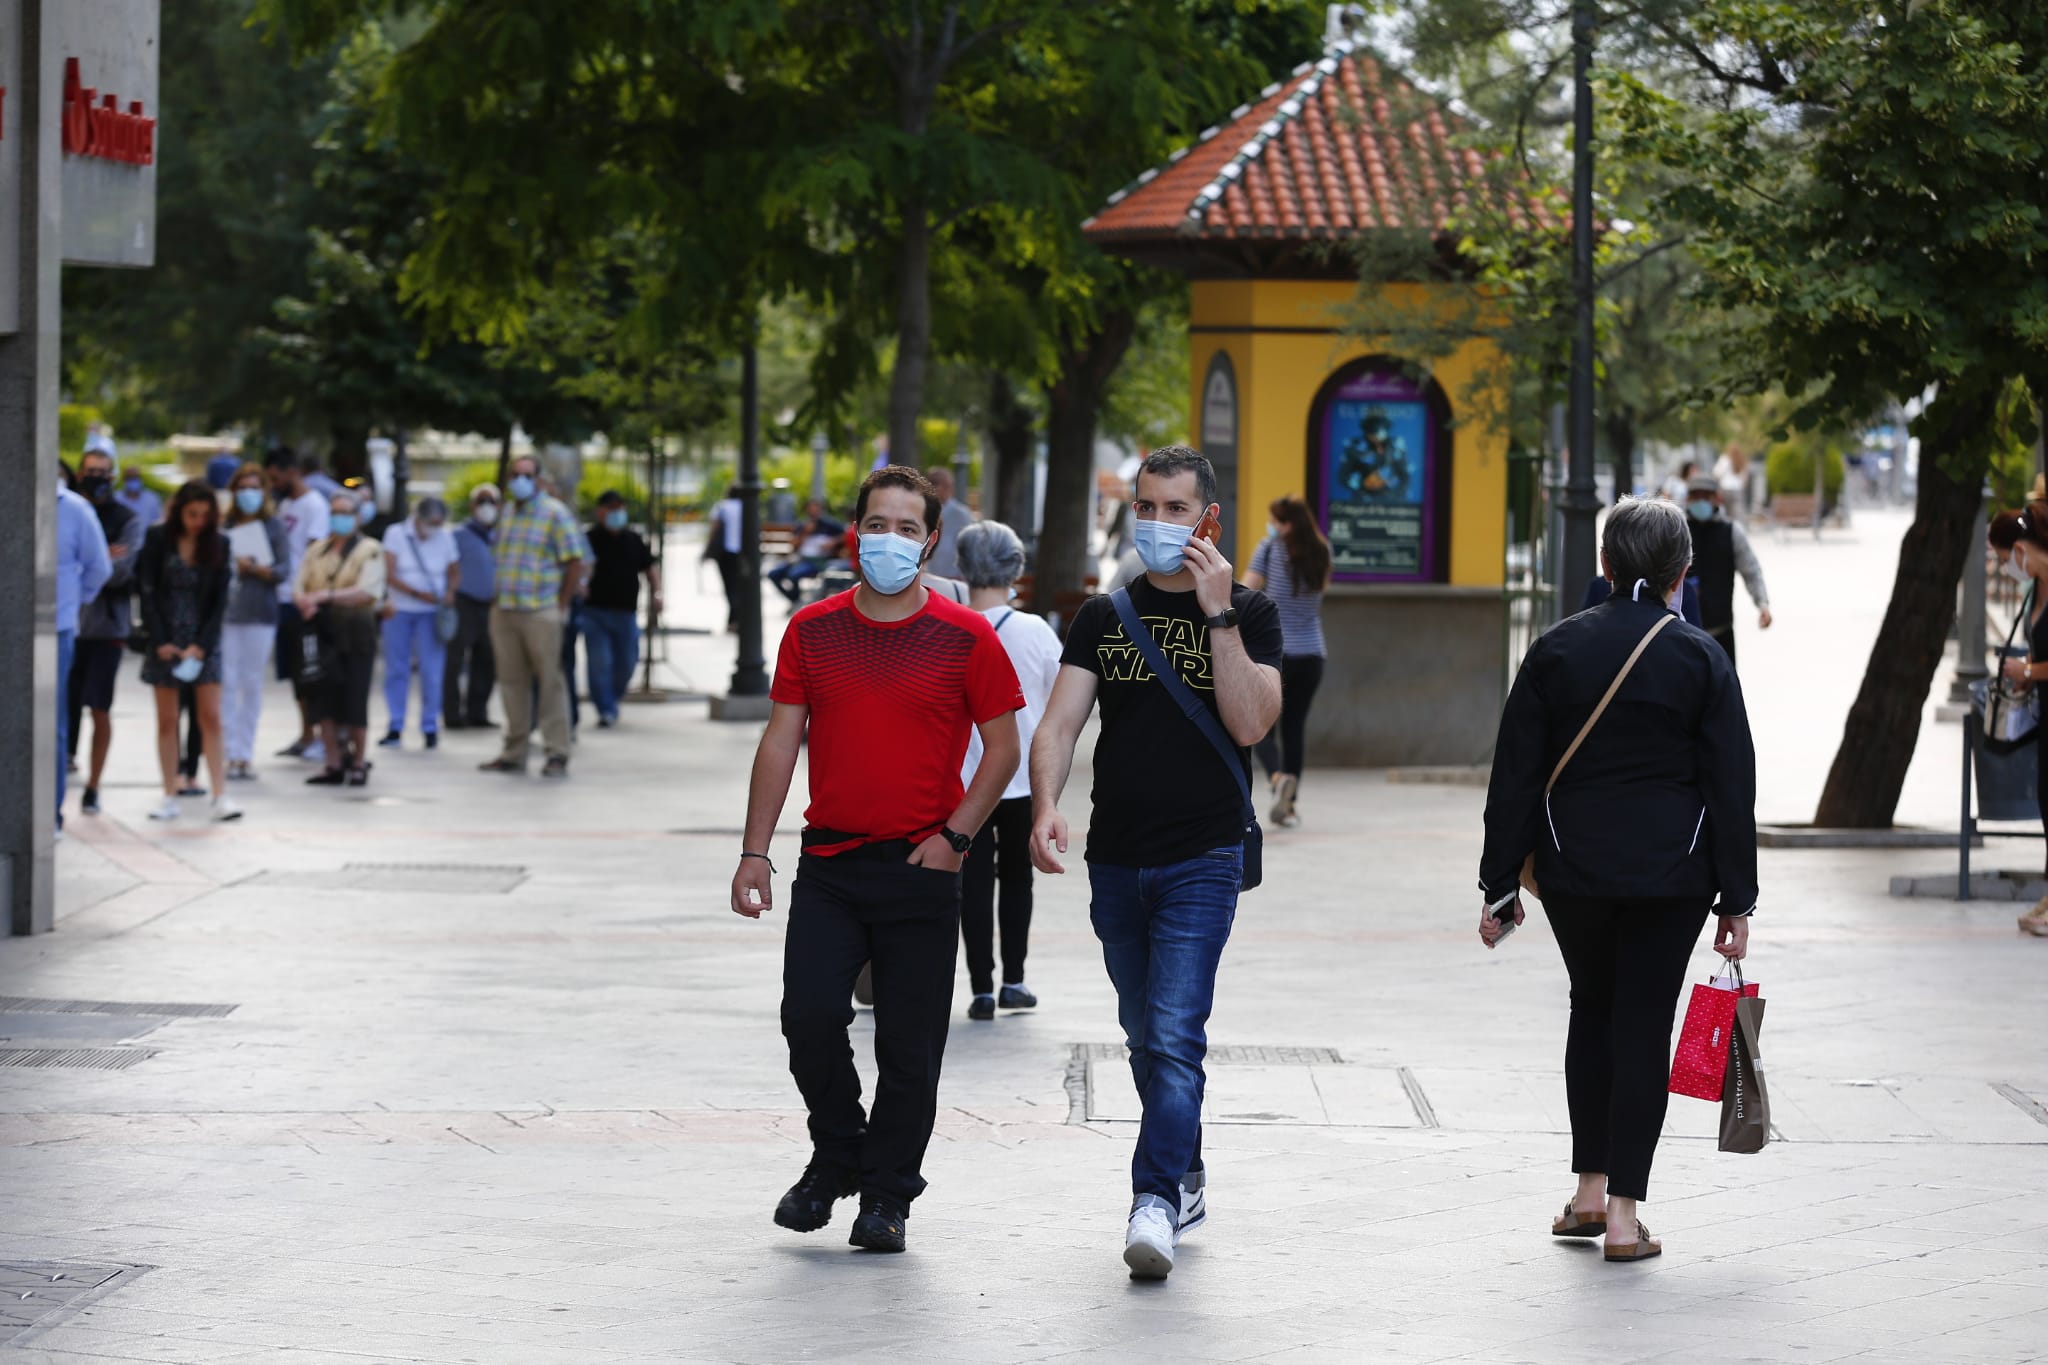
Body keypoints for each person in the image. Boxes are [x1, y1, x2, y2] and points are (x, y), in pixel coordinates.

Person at [729, 465, 1023, 1255]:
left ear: (930, 540)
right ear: (853, 530)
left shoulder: (966, 635)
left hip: (923, 867)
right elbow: (780, 740)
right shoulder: (812, 629)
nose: (888, 539)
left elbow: (1002, 749)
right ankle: (838, 1152)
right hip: (829, 863)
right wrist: (755, 850)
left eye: (906, 527)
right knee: (810, 1017)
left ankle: (887, 1194)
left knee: (909, 1042)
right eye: (875, 524)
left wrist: (956, 837)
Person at [1479, 495, 1758, 1264]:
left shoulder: (1557, 650)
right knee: (1643, 1023)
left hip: (1575, 872)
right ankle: (1627, 1220)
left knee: (1591, 1008)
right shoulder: (1701, 657)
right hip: (1675, 876)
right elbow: (1732, 785)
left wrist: (1499, 884)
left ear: (1604, 564)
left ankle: (1588, 1192)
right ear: (1682, 570)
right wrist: (1738, 897)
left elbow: (1514, 775)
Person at [1028, 445, 1284, 1280]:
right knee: (1144, 1036)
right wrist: (1043, 804)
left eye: (1178, 509)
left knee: (1175, 1034)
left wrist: (1219, 615)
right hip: (1117, 858)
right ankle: (1188, 1165)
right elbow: (1060, 725)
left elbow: (1250, 724)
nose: (1160, 523)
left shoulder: (1252, 610)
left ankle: (1153, 1199)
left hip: (1204, 855)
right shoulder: (1105, 615)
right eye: (1149, 506)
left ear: (1208, 518)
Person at [952, 521, 1062, 1022]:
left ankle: (980, 990)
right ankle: (1015, 980)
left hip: (964, 783)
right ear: (1016, 567)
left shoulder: (947, 625)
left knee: (972, 882)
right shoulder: (1035, 630)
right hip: (1020, 781)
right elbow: (1059, 698)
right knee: (1018, 879)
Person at [135, 482, 238, 823]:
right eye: (192, 514)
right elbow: (146, 591)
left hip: (202, 639)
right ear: (179, 510)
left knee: (210, 717)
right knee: (167, 720)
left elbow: (220, 601)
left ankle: (220, 794)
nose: (197, 521)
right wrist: (160, 639)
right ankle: (169, 792)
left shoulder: (220, 544)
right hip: (165, 639)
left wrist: (202, 646)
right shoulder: (157, 539)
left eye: (204, 516)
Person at [480, 455, 584, 778]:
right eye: (515, 474)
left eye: (526, 474)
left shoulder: (555, 513)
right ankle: (514, 751)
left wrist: (561, 605)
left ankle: (556, 752)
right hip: (505, 609)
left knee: (550, 682)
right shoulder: (507, 513)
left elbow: (574, 561)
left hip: (541, 610)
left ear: (538, 479)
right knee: (511, 683)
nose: (519, 480)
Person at [1244, 495, 1331, 829]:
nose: (1273, 527)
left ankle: (1277, 777)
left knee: (1259, 723)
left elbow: (1247, 590)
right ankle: (1290, 806)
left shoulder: (1269, 549)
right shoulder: (1323, 551)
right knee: (1294, 728)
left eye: (1276, 521)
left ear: (1288, 523)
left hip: (1276, 652)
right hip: (1312, 654)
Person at [68, 447, 143, 817]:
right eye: (90, 471)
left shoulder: (126, 517)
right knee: (62, 709)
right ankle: (63, 769)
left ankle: (93, 786)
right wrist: (100, 560)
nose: (96, 477)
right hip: (67, 624)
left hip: (106, 628)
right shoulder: (68, 510)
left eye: (103, 472)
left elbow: (123, 570)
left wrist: (82, 565)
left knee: (99, 708)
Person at [293, 491, 387, 787]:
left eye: (346, 512)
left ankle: (358, 761)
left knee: (355, 698)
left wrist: (324, 596)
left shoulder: (369, 549)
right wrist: (306, 601)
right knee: (323, 697)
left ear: (357, 516)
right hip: (322, 632)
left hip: (356, 631)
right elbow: (299, 586)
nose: (340, 518)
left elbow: (367, 592)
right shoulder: (317, 550)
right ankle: (332, 762)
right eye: (335, 512)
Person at [1988, 500, 2048, 936]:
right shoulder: (2037, 589)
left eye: (2005, 558)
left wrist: (2028, 671)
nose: (2006, 567)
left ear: (2024, 548)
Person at [218, 464, 293, 781]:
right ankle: (226, 752)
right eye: (243, 488)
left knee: (251, 684)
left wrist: (257, 569)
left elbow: (283, 570)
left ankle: (245, 753)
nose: (248, 494)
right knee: (226, 683)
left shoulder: (274, 527)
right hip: (227, 613)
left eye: (254, 488)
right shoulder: (224, 525)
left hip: (261, 612)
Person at [378, 496, 461, 750]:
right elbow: (388, 573)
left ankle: (430, 726)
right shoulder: (396, 533)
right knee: (396, 669)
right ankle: (395, 724)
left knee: (432, 671)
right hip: (400, 610)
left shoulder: (445, 537)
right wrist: (415, 594)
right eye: (431, 523)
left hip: (431, 613)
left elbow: (455, 571)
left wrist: (450, 593)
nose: (434, 528)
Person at [55, 475, 114, 830]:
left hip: (57, 627)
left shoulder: (75, 509)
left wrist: (72, 603)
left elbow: (99, 568)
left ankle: (51, 814)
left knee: (54, 723)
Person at [265, 448, 332, 761]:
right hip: (281, 596)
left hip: (300, 600)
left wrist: (305, 594)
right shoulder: (287, 504)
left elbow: (313, 552)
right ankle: (306, 733)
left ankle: (319, 735)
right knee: (294, 672)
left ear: (291, 472)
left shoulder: (314, 505)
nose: (273, 483)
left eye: (276, 477)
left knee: (308, 671)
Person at [583, 490, 662, 728]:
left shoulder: (633, 539)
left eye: (620, 508)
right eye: (611, 508)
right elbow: (580, 566)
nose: (616, 513)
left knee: (627, 661)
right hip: (595, 612)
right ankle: (605, 708)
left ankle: (612, 699)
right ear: (600, 511)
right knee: (600, 662)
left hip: (626, 612)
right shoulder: (589, 539)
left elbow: (650, 568)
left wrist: (657, 593)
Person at [1683, 471, 1772, 668]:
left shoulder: (1731, 532)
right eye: (1695, 496)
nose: (1700, 501)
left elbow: (1751, 571)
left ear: (1717, 498)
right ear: (1688, 499)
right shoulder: (1678, 531)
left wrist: (1762, 604)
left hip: (1720, 631)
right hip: (1683, 633)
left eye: (1705, 497)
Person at [445, 484, 500, 729]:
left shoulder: (501, 536)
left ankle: (478, 713)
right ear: (472, 506)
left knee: (487, 660)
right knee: (454, 660)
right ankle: (452, 714)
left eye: (491, 501)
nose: (486, 507)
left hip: (493, 606)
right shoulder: (459, 535)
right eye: (481, 501)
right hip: (464, 603)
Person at [767, 499, 846, 611]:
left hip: (818, 560)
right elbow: (794, 545)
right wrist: (805, 533)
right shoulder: (803, 524)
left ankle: (797, 602)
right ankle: (795, 600)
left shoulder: (829, 525)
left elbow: (845, 534)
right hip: (800, 559)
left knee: (793, 575)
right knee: (773, 574)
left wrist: (833, 542)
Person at [702, 484, 743, 633]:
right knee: (740, 587)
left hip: (726, 553)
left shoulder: (722, 507)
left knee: (730, 586)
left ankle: (734, 620)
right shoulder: (747, 507)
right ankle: (734, 620)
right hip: (744, 553)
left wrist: (707, 549)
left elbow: (714, 529)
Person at [923, 466, 976, 579]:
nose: (930, 486)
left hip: (953, 578)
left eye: (935, 482)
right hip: (927, 577)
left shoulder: (961, 514)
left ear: (948, 487)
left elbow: (969, 549)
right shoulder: (922, 510)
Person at [114, 460, 161, 531]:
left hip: (148, 540)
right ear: (124, 479)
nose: (133, 480)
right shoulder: (116, 498)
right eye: (130, 477)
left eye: (135, 477)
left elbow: (158, 521)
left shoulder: (151, 498)